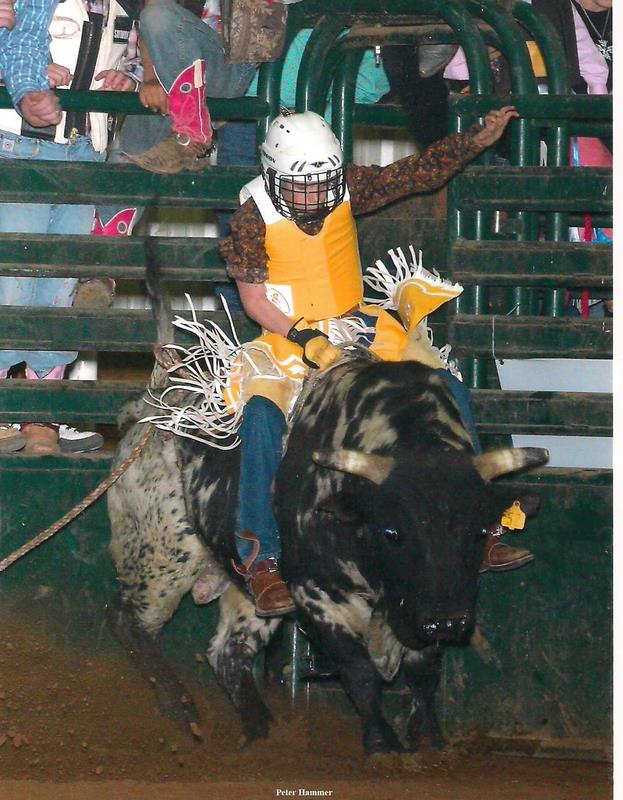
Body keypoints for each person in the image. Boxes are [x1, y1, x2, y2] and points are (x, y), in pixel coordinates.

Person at [216, 107, 533, 617]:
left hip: (360, 324)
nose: (316, 196)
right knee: (260, 415)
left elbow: (416, 172)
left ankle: (483, 527)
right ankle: (261, 557)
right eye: (302, 186)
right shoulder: (252, 218)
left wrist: (475, 139)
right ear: (273, 176)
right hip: (287, 335)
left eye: (324, 182)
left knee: (447, 388)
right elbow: (254, 299)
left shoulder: (347, 186)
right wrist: (303, 337)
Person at [0, 0, 141, 454]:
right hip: (21, 147)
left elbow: (137, 55)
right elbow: (15, 44)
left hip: (85, 152)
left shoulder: (125, 6)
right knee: (12, 281)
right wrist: (27, 78)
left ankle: (42, 411)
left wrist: (131, 77)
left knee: (61, 285)